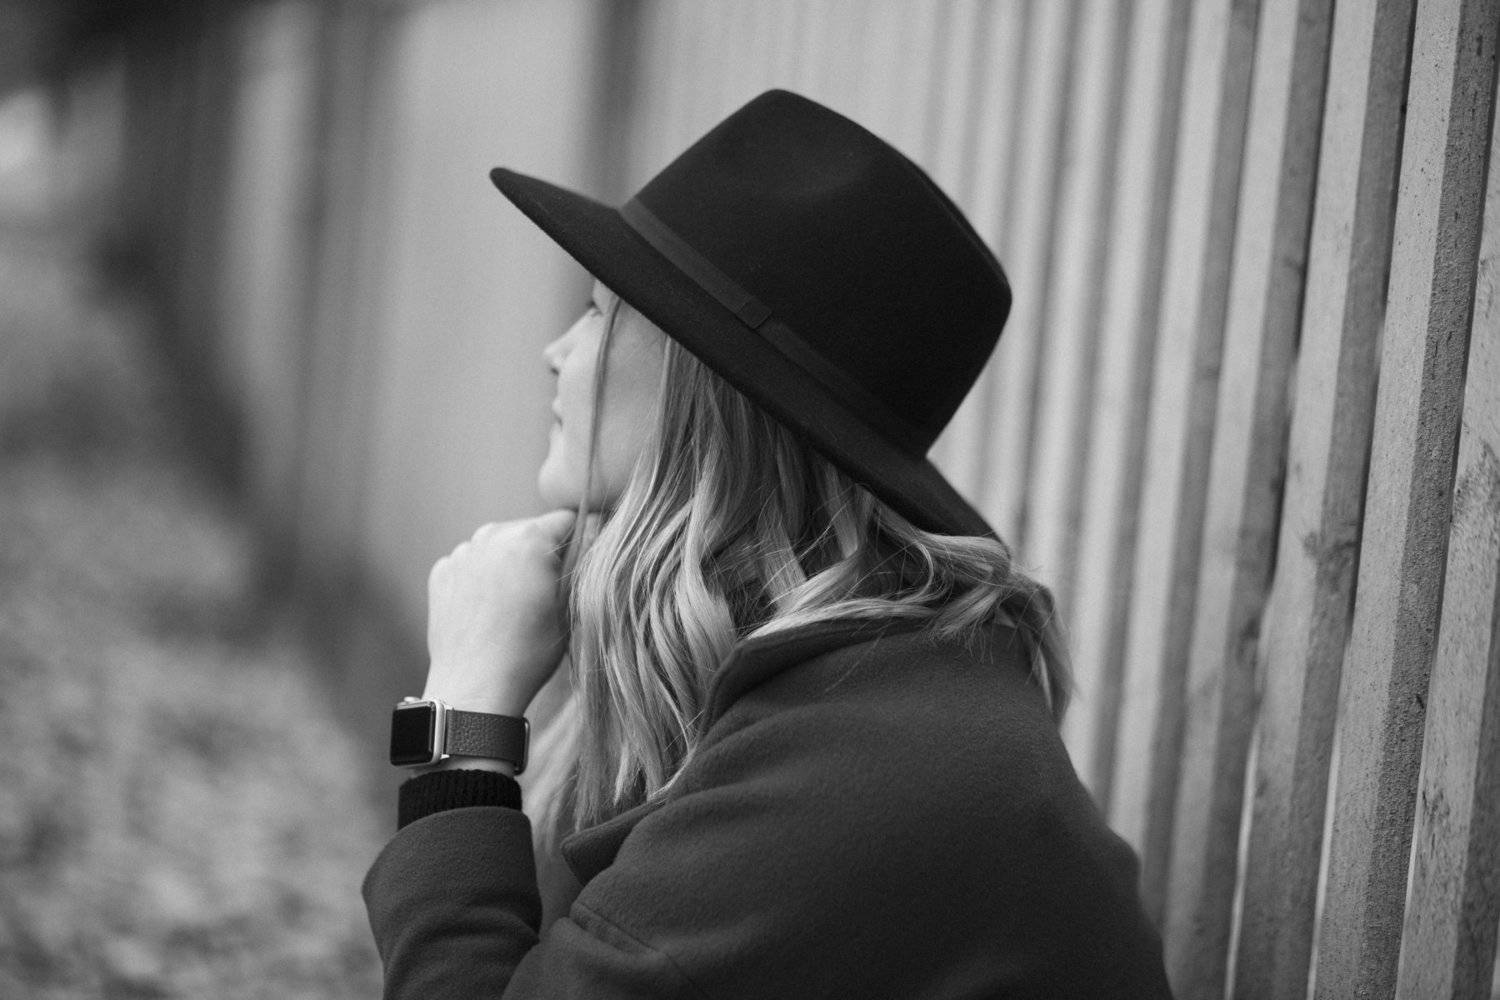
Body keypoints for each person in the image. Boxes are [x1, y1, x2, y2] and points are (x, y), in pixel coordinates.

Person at [363, 89, 1174, 999]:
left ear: (696, 391)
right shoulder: (850, 695)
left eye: (597, 311)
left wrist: (465, 717)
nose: (557, 350)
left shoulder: (860, 768)